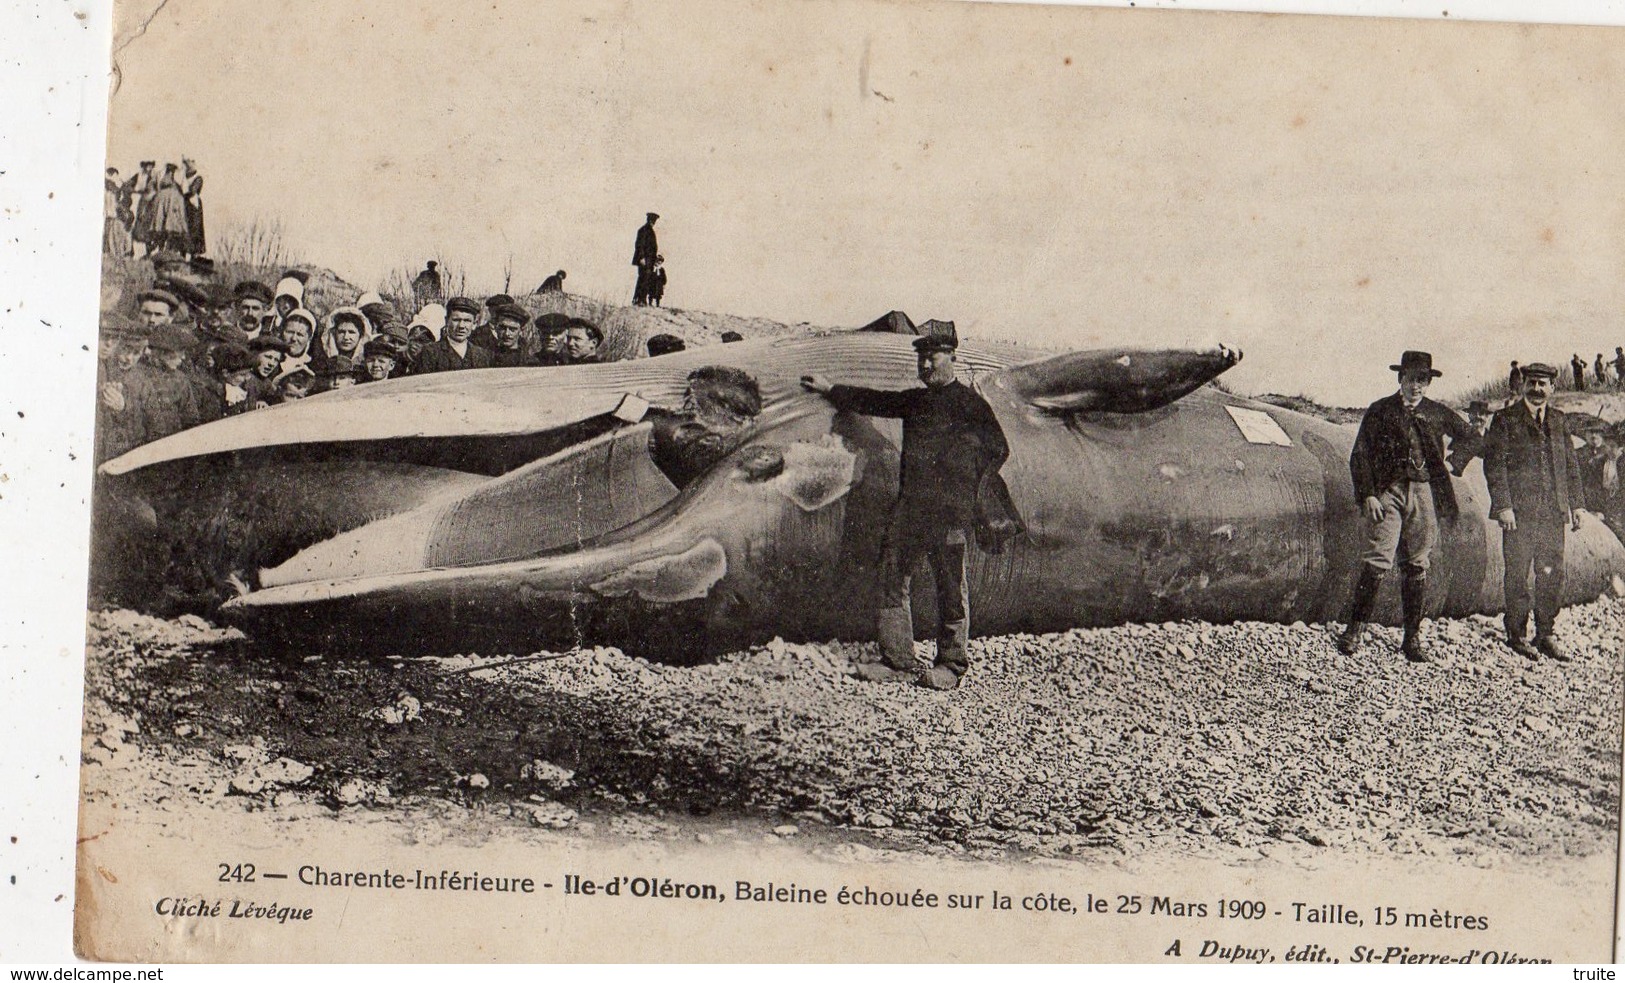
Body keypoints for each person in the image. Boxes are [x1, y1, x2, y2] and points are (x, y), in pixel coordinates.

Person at [800, 321, 1013, 690]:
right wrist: (832, 389)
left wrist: (962, 484)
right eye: (921, 359)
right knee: (892, 578)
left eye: (933, 358)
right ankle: (897, 660)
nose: (926, 366)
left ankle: (951, 664)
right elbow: (877, 401)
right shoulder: (917, 401)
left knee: (950, 586)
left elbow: (998, 449)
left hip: (949, 513)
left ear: (952, 358)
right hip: (910, 509)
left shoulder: (971, 404)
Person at [1339, 351, 1479, 663]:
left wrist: (1454, 463)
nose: (1415, 385)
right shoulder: (1380, 411)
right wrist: (1368, 495)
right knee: (1378, 558)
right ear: (1400, 378)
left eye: (1422, 379)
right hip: (1389, 491)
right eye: (1410, 378)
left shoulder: (1437, 412)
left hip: (1425, 492)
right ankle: (1355, 629)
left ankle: (1411, 638)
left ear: (1428, 383)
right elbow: (1360, 454)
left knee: (1417, 563)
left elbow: (1472, 437)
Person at [1483, 362, 1584, 661]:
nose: (1537, 389)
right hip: (1519, 514)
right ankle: (1516, 634)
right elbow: (1494, 466)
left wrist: (1576, 504)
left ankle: (1545, 633)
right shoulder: (1504, 420)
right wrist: (1503, 506)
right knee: (1517, 572)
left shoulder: (1559, 421)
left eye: (1543, 384)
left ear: (1552, 388)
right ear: (1522, 385)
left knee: (1552, 572)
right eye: (1532, 383)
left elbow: (1570, 466)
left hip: (1553, 513)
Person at [414, 297, 494, 373]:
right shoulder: (430, 353)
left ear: (474, 324)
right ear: (446, 321)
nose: (461, 326)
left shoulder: (482, 355)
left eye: (467, 321)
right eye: (456, 320)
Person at [145, 163, 191, 256]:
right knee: (172, 231)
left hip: (162, 217)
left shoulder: (160, 192)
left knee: (160, 230)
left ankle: (161, 250)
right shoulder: (175, 191)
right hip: (172, 219)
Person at [104, 168, 133, 257]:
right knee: (114, 236)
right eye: (116, 175)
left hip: (113, 215)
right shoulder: (112, 188)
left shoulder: (112, 189)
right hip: (113, 215)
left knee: (112, 236)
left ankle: (113, 253)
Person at [632, 212, 659, 305]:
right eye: (653, 220)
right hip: (645, 260)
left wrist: (655, 260)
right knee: (643, 279)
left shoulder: (650, 230)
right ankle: (639, 299)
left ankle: (641, 299)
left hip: (650, 260)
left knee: (646, 279)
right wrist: (641, 257)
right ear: (650, 220)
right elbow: (640, 245)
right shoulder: (644, 230)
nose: (654, 222)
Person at [180, 157, 205, 257]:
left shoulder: (198, 178)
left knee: (195, 230)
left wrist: (185, 192)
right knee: (184, 231)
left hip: (194, 208)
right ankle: (183, 255)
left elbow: (193, 191)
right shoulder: (184, 179)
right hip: (185, 206)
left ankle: (194, 256)